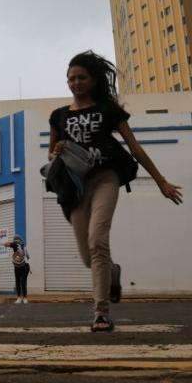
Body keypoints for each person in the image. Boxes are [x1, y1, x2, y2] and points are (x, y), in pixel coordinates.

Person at [49, 51, 182, 332]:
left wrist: (162, 182)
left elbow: (135, 148)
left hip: (105, 179)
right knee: (88, 256)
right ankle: (112, 271)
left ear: (94, 79)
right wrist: (56, 151)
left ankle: (101, 311)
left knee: (98, 240)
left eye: (81, 77)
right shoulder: (58, 116)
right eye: (70, 79)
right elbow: (52, 156)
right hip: (74, 186)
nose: (75, 83)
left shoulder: (108, 109)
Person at [4, 235, 30, 304]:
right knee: (22, 282)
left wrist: (8, 244)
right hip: (22, 266)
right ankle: (23, 298)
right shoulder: (23, 246)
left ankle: (20, 298)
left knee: (19, 282)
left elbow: (6, 244)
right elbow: (28, 257)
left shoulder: (16, 245)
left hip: (22, 266)